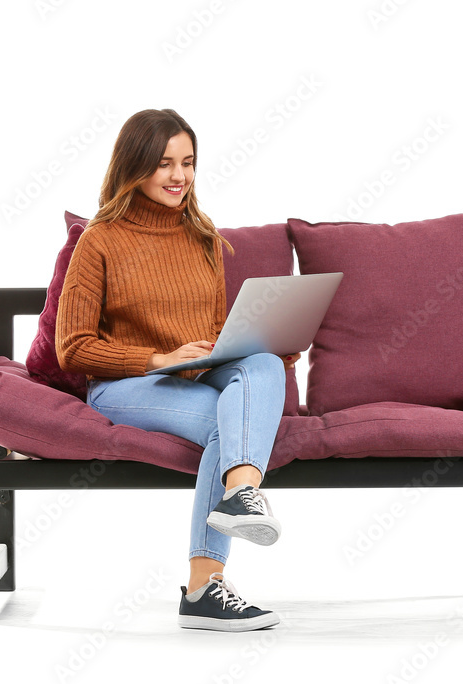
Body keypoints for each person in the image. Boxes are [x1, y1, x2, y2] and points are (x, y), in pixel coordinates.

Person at [55, 108, 297, 632]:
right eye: (165, 163)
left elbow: (212, 331)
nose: (179, 176)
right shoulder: (100, 240)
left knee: (264, 363)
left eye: (188, 163)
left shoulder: (203, 237)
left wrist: (263, 344)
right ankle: (204, 587)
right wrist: (156, 359)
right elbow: (72, 347)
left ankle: (239, 496)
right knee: (223, 424)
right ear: (135, 166)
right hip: (124, 386)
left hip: (192, 374)